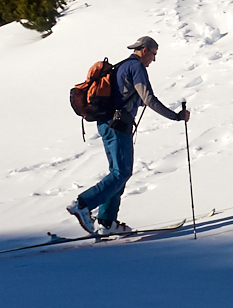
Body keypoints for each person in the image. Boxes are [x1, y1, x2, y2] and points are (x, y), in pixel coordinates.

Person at [68, 35, 188, 237]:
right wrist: (176, 116)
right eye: (154, 54)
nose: (154, 60)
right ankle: (82, 204)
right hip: (118, 126)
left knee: (117, 172)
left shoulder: (121, 67)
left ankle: (107, 222)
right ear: (144, 50)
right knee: (121, 173)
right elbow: (148, 98)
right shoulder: (136, 67)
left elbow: (130, 98)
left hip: (106, 124)